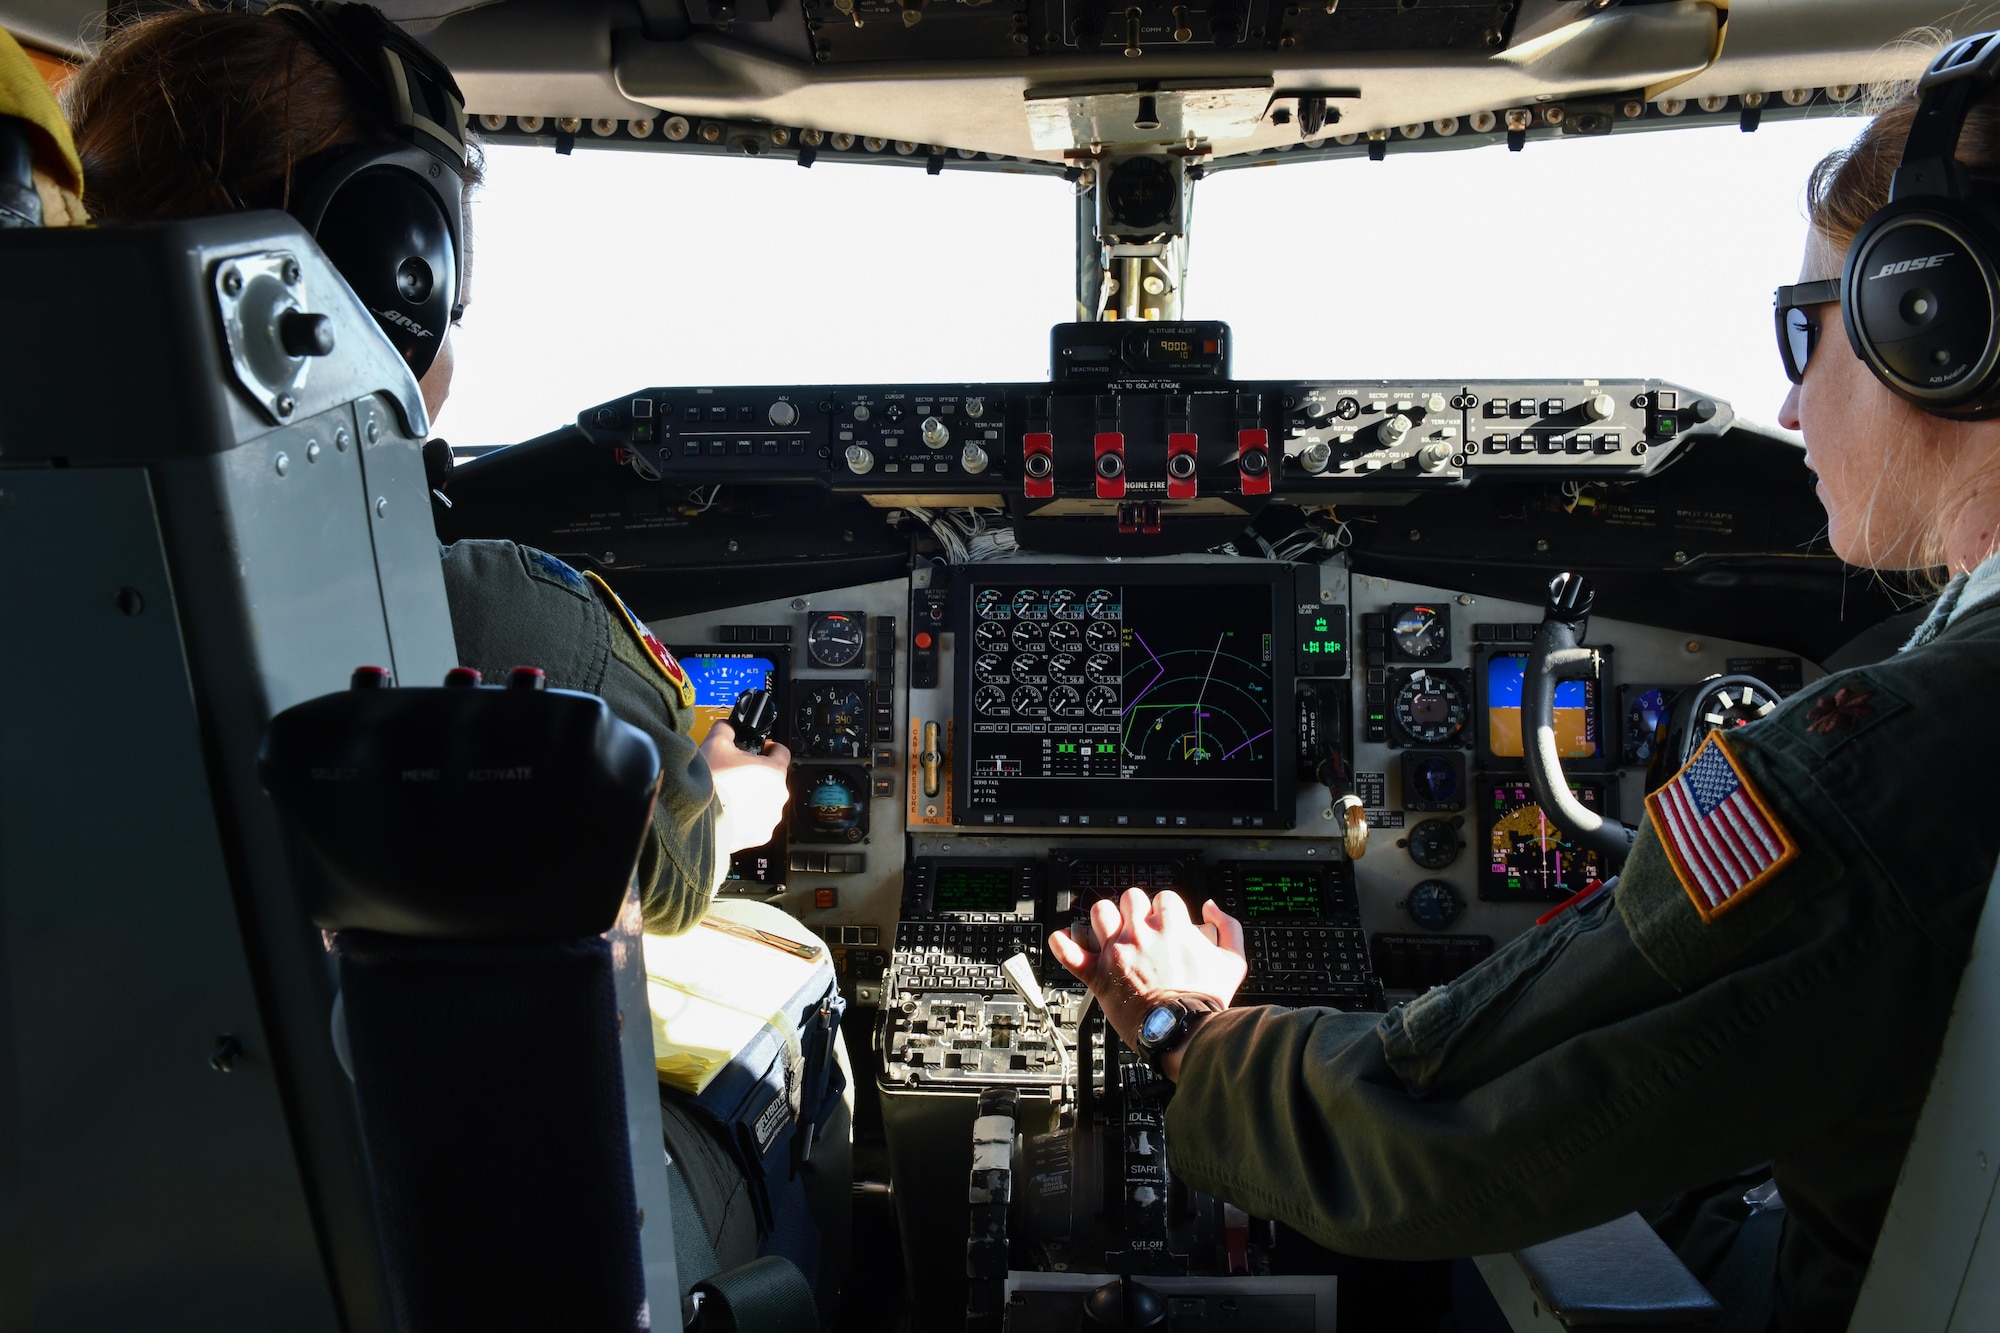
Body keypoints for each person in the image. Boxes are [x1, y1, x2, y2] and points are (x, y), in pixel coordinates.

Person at [1049, 76, 2000, 1333]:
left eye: (1800, 331)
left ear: (1927, 320)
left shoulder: (1863, 776)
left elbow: (1431, 1133)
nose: (1782, 404)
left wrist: (1187, 1027)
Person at [60, 5, 791, 934]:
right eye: (451, 298)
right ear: (399, 282)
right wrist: (725, 811)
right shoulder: (485, 619)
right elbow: (664, 878)